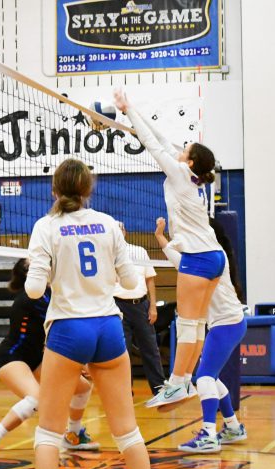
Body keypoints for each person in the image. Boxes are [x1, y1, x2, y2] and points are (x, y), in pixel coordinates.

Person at [25, 158, 153, 469]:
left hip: (69, 330)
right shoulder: (109, 224)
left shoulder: (46, 227)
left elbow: (34, 291)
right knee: (127, 432)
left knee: (49, 434)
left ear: (54, 189)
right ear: (87, 190)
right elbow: (132, 282)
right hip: (108, 327)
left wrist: (46, 272)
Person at [114, 89, 223, 409]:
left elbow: (152, 143)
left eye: (185, 149)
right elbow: (162, 138)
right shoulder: (201, 179)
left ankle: (176, 384)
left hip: (198, 259)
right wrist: (133, 113)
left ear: (189, 161)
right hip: (213, 257)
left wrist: (128, 107)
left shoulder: (178, 172)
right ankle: (186, 380)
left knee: (189, 324)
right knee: (198, 323)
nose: (179, 150)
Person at [0, 258, 99, 461]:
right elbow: (61, 328)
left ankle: (74, 434)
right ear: (30, 274)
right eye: (35, 263)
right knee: (36, 398)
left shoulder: (49, 294)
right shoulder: (31, 299)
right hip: (12, 358)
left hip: (36, 358)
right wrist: (83, 361)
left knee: (82, 387)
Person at [155, 217, 248, 453]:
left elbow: (182, 260)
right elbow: (179, 262)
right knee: (212, 377)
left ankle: (208, 434)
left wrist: (173, 239)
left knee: (204, 377)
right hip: (230, 323)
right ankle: (233, 427)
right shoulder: (211, 257)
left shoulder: (212, 257)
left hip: (225, 324)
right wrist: (161, 238)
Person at [113, 221, 166, 395]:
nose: (118, 233)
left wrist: (153, 307)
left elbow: (150, 279)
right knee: (122, 350)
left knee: (150, 347)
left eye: (120, 229)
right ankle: (125, 389)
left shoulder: (139, 251)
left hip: (141, 305)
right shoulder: (108, 255)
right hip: (118, 306)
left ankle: (159, 388)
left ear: (125, 232)